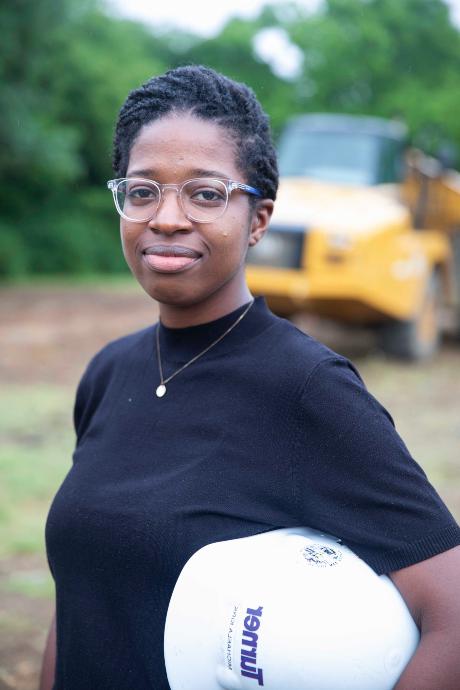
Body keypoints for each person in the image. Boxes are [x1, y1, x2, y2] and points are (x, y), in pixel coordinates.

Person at [40, 65, 460, 690]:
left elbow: (451, 613)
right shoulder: (109, 372)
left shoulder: (305, 388)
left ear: (258, 220)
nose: (168, 218)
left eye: (206, 193)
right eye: (143, 190)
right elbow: (79, 597)